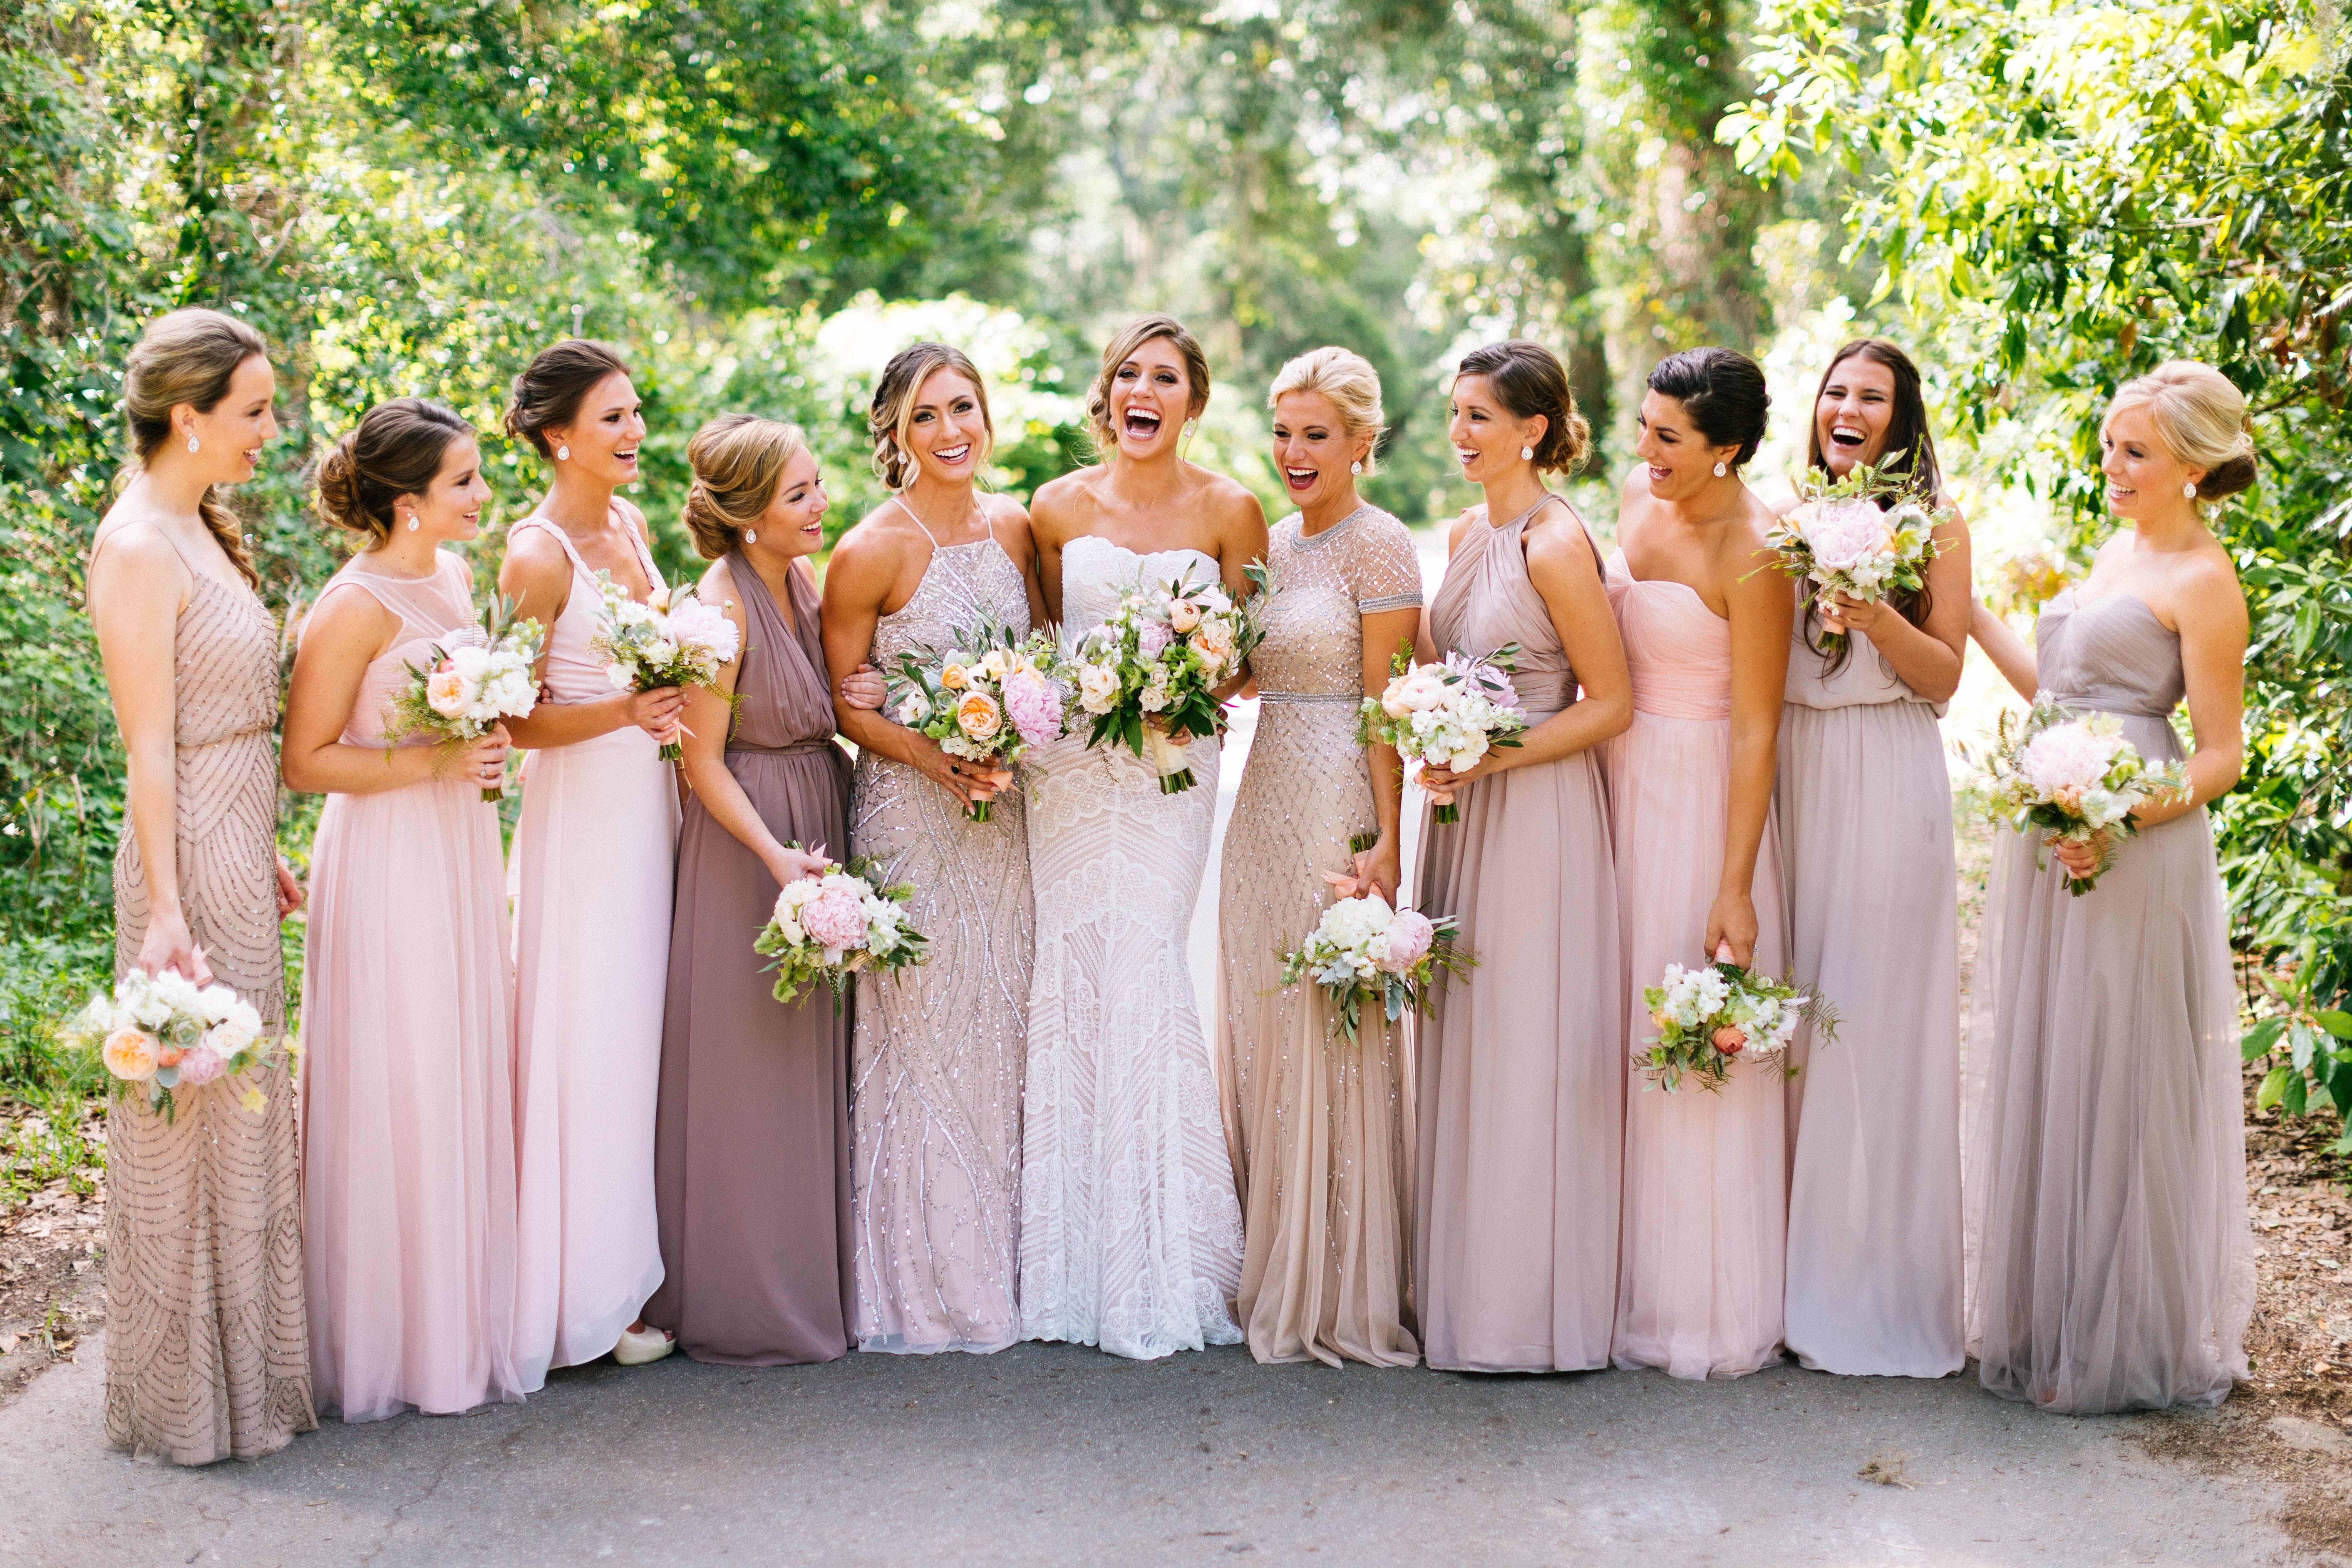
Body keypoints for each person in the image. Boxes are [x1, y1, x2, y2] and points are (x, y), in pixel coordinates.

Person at [1964, 361, 2253, 1413]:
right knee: (2060, 1059)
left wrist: (2117, 818)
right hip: (2062, 824)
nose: (2112, 466)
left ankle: (2119, 1341)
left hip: (2136, 838)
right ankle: (2055, 1322)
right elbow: (2061, 691)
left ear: (2193, 464)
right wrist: (1966, 617)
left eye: (2135, 450)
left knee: (2122, 1074)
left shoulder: (2206, 583)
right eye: (2109, 446)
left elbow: (2220, 753)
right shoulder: (2117, 549)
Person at [86, 306, 315, 1461]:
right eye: (255, 410)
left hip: (234, 837)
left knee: (247, 1108)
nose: (271, 429)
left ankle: (252, 1388)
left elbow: (227, 716)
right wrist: (168, 907)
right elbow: (148, 746)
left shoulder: (200, 529)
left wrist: (260, 838)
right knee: (189, 1117)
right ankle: (183, 1405)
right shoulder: (135, 548)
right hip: (183, 861)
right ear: (190, 417)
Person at [1018, 315, 1265, 1359]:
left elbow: (1248, 653)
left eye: (1165, 377)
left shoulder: (1231, 508)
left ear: (1193, 402)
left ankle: (1170, 1252)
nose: (1143, 389)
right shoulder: (1053, 506)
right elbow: (1039, 641)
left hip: (1172, 766)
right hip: (1070, 770)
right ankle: (1071, 1261)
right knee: (1073, 968)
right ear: (1105, 394)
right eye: (1127, 372)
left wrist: (1185, 688)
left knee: (1149, 960)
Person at [284, 398, 524, 1419]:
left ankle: (457, 1320)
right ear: (406, 500)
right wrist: (437, 757)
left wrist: (489, 750)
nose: (481, 494)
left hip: (458, 848)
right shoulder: (354, 605)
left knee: (459, 1060)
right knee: (402, 1071)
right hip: (388, 860)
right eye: (463, 481)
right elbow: (306, 760)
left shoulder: (455, 574)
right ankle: (387, 1341)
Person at [820, 343, 1047, 1355]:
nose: (951, 431)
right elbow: (843, 703)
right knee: (918, 1040)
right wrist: (933, 754)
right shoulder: (870, 549)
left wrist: (1006, 738)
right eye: (926, 416)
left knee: (1001, 1024)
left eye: (963, 408)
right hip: (910, 815)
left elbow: (1038, 665)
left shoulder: (1016, 526)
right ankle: (914, 1287)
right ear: (895, 434)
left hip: (1002, 817)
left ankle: (1013, 1272)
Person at [1412, 340, 1633, 1372]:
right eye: (1455, 414)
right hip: (1466, 810)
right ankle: (1463, 1289)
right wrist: (1431, 733)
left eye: (1480, 419)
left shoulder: (1554, 542)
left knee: (1524, 1043)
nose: (1460, 435)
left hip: (1537, 809)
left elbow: (1612, 703)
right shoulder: (1466, 531)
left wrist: (1485, 753)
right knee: (1469, 1039)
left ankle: (1530, 1315)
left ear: (1533, 430)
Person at [1215, 346, 1426, 1367]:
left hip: (1339, 788)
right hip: (1259, 797)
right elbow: (1247, 674)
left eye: (1317, 435)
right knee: (1263, 1007)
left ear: (1359, 442)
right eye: (1284, 431)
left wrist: (1386, 838)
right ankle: (1267, 1249)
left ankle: (1336, 1278)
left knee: (1326, 1015)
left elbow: (1386, 704)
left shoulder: (1380, 549)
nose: (1294, 452)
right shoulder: (1277, 543)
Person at [1773, 339, 1971, 1378]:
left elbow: (1944, 679)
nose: (1849, 409)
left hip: (1888, 773)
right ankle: (1791, 1282)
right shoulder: (1782, 521)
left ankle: (1880, 1293)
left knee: (1877, 1028)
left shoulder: (1935, 525)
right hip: (1794, 776)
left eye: (1873, 398)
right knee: (1796, 1026)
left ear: (1901, 419)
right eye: (1836, 392)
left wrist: (1875, 611)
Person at [643, 416, 853, 1366]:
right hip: (751, 842)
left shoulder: (800, 583)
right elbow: (701, 761)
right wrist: (774, 857)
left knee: (810, 1061)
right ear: (747, 515)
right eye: (798, 495)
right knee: (751, 1068)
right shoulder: (720, 608)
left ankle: (818, 1277)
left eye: (815, 486)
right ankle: (746, 1294)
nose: (819, 506)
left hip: (819, 809)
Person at [1605, 347, 1796, 1380]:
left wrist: (1735, 881)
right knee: (1611, 1025)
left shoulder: (1758, 552)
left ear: (1726, 449)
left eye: (1668, 437)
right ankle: (1606, 1274)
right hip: (1613, 783)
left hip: (1699, 804)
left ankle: (1694, 1302)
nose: (1644, 451)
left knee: (1680, 1027)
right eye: (1643, 427)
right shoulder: (1638, 493)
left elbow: (1757, 732)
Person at [499, 340, 684, 1379]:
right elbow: (511, 716)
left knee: (644, 1030)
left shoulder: (632, 523)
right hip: (582, 815)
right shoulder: (535, 555)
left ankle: (636, 1266)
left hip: (646, 800)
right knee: (594, 1031)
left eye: (635, 412)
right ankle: (586, 1291)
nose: (633, 433)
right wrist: (621, 709)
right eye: (612, 418)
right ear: (558, 433)